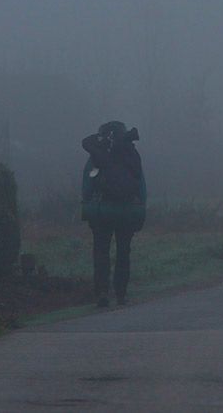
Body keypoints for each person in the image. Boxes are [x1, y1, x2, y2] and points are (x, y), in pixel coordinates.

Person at [81, 120, 147, 307]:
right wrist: (140, 207)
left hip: (102, 212)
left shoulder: (98, 152)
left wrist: (88, 204)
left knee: (101, 252)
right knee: (123, 252)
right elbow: (140, 184)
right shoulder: (130, 153)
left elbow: (88, 184)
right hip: (126, 212)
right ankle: (121, 294)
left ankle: (102, 292)